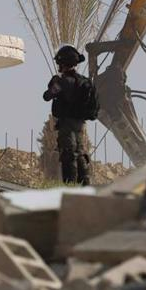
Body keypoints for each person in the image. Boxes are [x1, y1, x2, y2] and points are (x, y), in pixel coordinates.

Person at [42, 45, 93, 185]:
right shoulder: (84, 81)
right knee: (80, 152)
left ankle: (69, 183)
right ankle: (85, 182)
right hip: (80, 123)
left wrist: (55, 83)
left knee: (68, 153)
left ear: (63, 63)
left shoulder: (62, 82)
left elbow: (47, 96)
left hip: (67, 124)